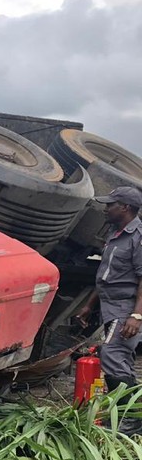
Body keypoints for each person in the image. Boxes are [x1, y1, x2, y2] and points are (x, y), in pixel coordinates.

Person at [74, 185, 142, 435]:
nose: (105, 209)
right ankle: (128, 415)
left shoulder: (138, 237)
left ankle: (131, 421)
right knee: (120, 359)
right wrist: (89, 305)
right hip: (109, 304)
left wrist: (136, 315)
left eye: (110, 205)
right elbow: (105, 274)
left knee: (112, 355)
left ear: (125, 207)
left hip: (126, 306)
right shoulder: (115, 233)